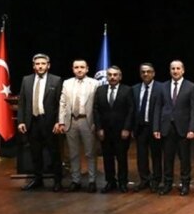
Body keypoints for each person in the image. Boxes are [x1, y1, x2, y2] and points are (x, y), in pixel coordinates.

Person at [16, 53, 64, 192]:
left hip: (49, 122)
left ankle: (57, 181)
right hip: (32, 122)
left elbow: (60, 104)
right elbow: (22, 102)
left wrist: (58, 122)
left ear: (48, 65)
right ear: (33, 66)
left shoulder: (56, 80)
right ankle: (38, 180)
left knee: (54, 153)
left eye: (43, 63)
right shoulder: (26, 80)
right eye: (37, 64)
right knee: (35, 154)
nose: (40, 66)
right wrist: (21, 121)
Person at [154, 60, 194, 196]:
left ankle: (185, 184)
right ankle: (167, 184)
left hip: (183, 129)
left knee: (184, 158)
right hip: (167, 128)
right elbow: (158, 108)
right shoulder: (163, 86)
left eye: (178, 68)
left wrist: (192, 129)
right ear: (170, 70)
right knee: (167, 158)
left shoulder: (191, 86)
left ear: (183, 70)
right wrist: (156, 127)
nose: (175, 71)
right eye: (173, 68)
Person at [58, 59, 100, 192]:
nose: (79, 69)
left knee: (90, 152)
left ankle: (92, 180)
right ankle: (76, 180)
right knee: (73, 153)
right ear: (73, 69)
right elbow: (63, 103)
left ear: (87, 69)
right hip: (71, 121)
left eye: (82, 67)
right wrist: (61, 121)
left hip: (87, 121)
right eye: (76, 67)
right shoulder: (67, 83)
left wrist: (97, 124)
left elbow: (97, 105)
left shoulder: (94, 83)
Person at [93, 65, 134, 193]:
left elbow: (131, 110)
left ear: (120, 77)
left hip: (121, 131)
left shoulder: (127, 90)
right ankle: (110, 182)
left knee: (121, 158)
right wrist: (99, 128)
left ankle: (122, 182)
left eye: (115, 75)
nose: (112, 77)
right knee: (107, 158)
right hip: (105, 131)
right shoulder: (100, 90)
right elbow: (96, 110)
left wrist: (127, 128)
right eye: (110, 75)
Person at [132, 63, 164, 192]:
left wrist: (159, 127)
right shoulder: (134, 89)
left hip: (155, 127)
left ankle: (156, 180)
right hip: (140, 127)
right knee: (141, 155)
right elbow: (132, 109)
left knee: (156, 155)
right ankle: (144, 179)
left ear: (154, 73)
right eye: (143, 72)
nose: (146, 74)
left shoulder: (161, 88)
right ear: (140, 74)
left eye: (148, 71)